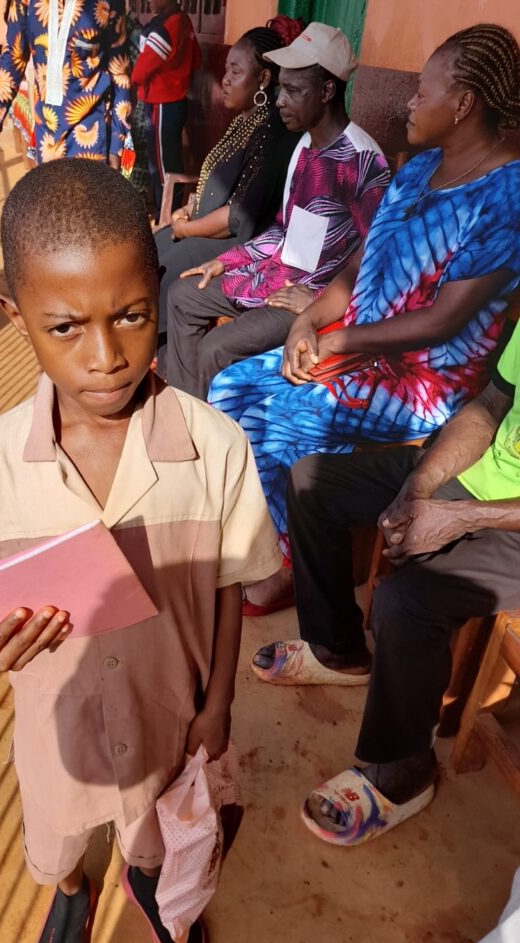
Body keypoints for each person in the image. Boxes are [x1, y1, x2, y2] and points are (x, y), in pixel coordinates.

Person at [0, 160, 279, 943]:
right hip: (58, 731)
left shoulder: (215, 446)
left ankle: (145, 878)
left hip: (171, 716)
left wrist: (217, 706)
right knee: (58, 833)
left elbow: (230, 584)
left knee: (154, 827)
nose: (107, 358)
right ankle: (70, 892)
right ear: (16, 316)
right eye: (65, 328)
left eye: (131, 316)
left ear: (157, 289)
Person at [210, 23, 520, 615]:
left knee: (279, 419)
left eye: (421, 93)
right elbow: (357, 262)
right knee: (230, 387)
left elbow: (442, 322)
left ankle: (286, 566)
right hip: (355, 353)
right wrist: (309, 321)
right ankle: (265, 539)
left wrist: (337, 341)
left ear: (462, 104)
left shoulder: (507, 195)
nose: (409, 104)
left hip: (420, 382)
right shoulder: (418, 171)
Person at [252, 316, 520, 846]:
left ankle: (405, 770)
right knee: (313, 483)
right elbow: (491, 405)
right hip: (475, 482)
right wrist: (419, 488)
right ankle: (338, 650)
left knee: (406, 602)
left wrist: (462, 517)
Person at [167, 22, 389, 400]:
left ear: (327, 91)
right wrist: (227, 260)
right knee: (182, 295)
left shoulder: (362, 161)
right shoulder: (304, 148)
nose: (280, 100)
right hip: (272, 278)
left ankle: (203, 425)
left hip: (306, 299)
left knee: (214, 349)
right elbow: (283, 230)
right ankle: (187, 410)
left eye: (293, 91)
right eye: (281, 88)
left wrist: (317, 304)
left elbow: (377, 256)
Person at [154, 17, 304, 338]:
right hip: (201, 227)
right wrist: (188, 210)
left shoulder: (271, 131)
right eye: (226, 70)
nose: (225, 80)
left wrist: (187, 228)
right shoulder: (243, 121)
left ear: (263, 78)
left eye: (235, 72)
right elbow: (215, 181)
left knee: (158, 274)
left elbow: (237, 216)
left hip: (230, 244)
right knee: (146, 250)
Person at [0, 0, 131, 168]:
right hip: (46, 138)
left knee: (84, 186)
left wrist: (116, 144)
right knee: (48, 185)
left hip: (90, 139)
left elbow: (120, 71)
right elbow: (14, 56)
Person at [131, 0, 201, 215]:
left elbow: (139, 71)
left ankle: (166, 215)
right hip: (175, 102)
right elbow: (197, 60)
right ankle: (168, 212)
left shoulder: (164, 28)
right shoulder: (184, 21)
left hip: (162, 104)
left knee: (162, 167)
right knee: (169, 161)